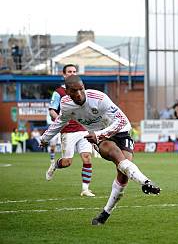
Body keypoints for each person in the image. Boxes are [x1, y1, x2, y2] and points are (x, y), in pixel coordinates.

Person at [40, 75, 160, 225]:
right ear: (67, 92)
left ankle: (105, 213)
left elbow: (121, 120)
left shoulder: (99, 98)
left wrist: (98, 134)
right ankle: (146, 182)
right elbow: (60, 121)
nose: (78, 94)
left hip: (121, 130)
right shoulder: (65, 104)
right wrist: (45, 138)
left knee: (123, 174)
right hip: (100, 138)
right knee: (116, 155)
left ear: (83, 87)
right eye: (74, 91)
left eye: (80, 89)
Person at [45, 64, 95, 197]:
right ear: (64, 75)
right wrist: (60, 120)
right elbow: (52, 111)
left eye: (74, 71)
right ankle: (54, 166)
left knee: (87, 158)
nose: (72, 73)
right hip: (68, 131)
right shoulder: (59, 92)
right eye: (69, 71)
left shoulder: (81, 89)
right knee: (67, 162)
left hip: (83, 129)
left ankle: (85, 189)